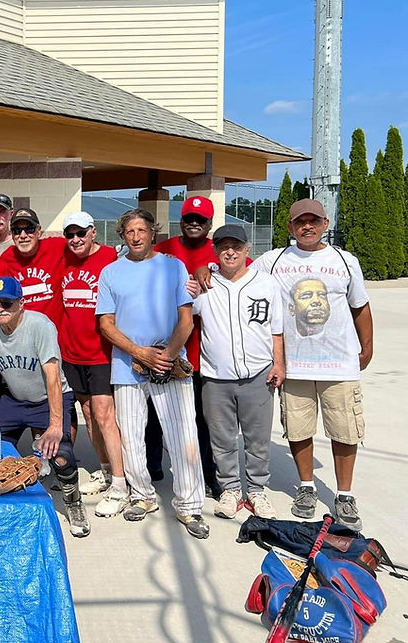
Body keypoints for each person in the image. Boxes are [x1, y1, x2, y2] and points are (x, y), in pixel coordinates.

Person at [198, 199, 373, 530]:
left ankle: (344, 494)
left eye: (314, 220)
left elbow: (360, 306)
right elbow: (235, 269)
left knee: (345, 431)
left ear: (325, 222)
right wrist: (204, 268)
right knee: (298, 430)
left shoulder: (344, 261)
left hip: (339, 364)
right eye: (299, 222)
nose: (307, 226)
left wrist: (367, 348)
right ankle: (306, 488)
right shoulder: (274, 260)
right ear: (290, 227)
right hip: (295, 367)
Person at [95, 208, 209, 539]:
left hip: (170, 362)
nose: (136, 236)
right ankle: (143, 495)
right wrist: (139, 353)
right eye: (129, 231)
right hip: (128, 364)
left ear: (152, 232)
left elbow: (186, 319)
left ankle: (189, 506)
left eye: (141, 230)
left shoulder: (173, 267)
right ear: (122, 235)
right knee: (131, 436)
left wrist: (167, 357)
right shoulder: (111, 273)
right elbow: (106, 324)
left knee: (184, 436)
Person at [0, 277, 89, 538]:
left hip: (48, 399)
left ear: (21, 304)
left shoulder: (40, 326)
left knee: (59, 452)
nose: (0, 309)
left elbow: (52, 376)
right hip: (14, 399)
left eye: (7, 303)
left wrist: (55, 425)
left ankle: (74, 504)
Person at [192, 224, 284, 520]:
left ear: (247, 250)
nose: (229, 251)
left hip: (258, 373)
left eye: (236, 246)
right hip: (216, 377)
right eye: (223, 246)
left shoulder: (267, 283)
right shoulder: (205, 284)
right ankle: (230, 489)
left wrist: (279, 363)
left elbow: (277, 329)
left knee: (258, 439)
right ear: (215, 251)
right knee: (222, 439)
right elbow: (183, 315)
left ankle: (257, 490)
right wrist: (199, 270)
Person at [53, 212, 128, 518]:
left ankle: (122, 485)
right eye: (70, 234)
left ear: (93, 232)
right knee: (87, 414)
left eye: (81, 233)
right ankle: (106, 470)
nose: (75, 240)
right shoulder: (64, 258)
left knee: (104, 414)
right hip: (72, 352)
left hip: (101, 352)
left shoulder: (112, 257)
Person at [149, 195, 221, 498]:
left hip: (202, 352)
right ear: (181, 220)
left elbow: (245, 271)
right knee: (154, 414)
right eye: (189, 218)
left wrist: (211, 264)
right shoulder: (163, 250)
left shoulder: (220, 251)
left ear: (209, 224)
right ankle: (152, 466)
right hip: (165, 346)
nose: (194, 223)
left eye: (200, 220)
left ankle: (207, 473)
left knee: (200, 420)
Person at [0, 207, 65, 320]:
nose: (23, 235)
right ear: (12, 234)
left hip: (53, 334)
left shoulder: (57, 247)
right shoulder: (7, 257)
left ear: (39, 231)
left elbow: (84, 247)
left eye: (29, 229)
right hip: (23, 333)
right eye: (17, 231)